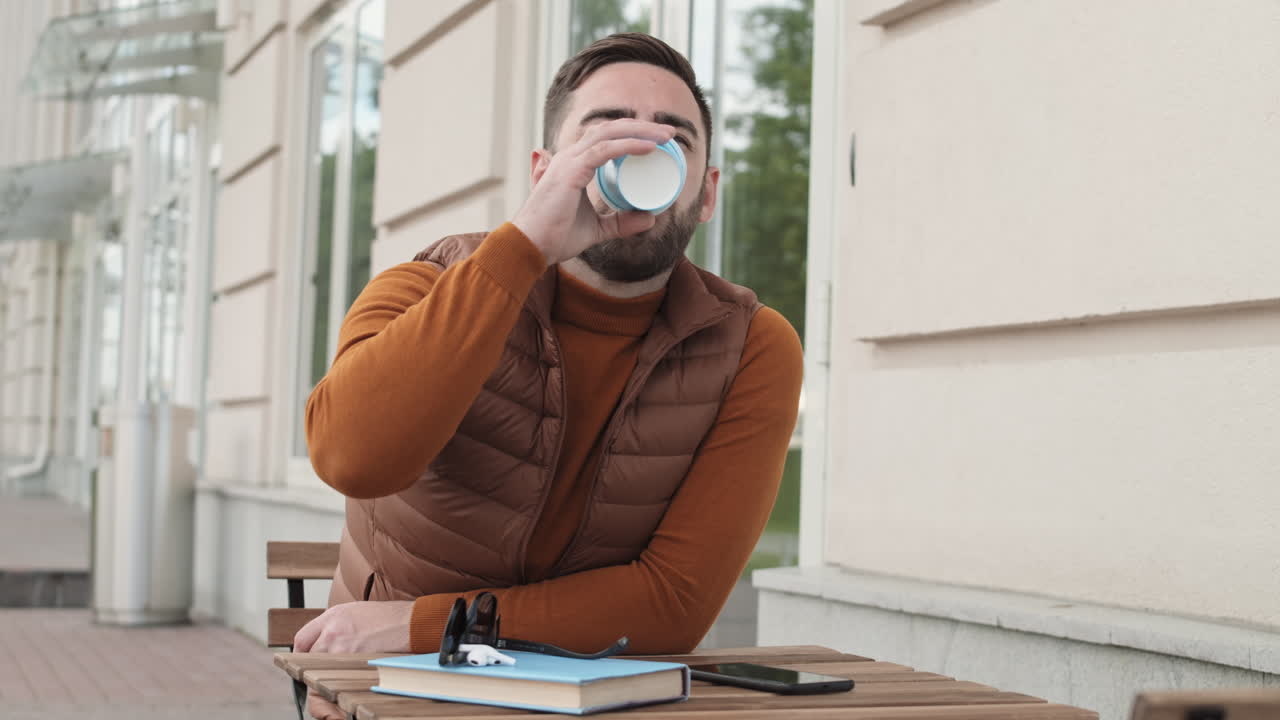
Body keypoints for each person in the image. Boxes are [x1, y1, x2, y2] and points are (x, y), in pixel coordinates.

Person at [293, 32, 803, 720]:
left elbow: (672, 605)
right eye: (607, 133)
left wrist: (422, 624)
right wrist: (525, 246)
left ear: (706, 192)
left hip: (593, 704)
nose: (641, 152)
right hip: (395, 698)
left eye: (673, 140)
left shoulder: (749, 346)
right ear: (546, 169)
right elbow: (350, 456)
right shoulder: (423, 288)